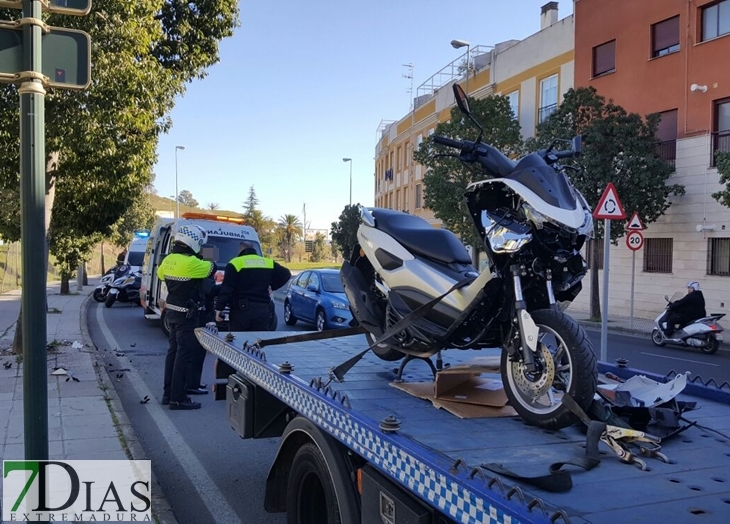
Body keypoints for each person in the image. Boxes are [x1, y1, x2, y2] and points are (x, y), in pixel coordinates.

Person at [157, 224, 216, 410]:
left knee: (172, 354)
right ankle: (178, 398)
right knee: (184, 356)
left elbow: (160, 276)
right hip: (186, 316)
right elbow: (211, 269)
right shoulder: (192, 263)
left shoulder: (167, 261)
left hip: (172, 312)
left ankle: (168, 394)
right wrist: (207, 252)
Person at [215, 241, 291, 331]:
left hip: (241, 311)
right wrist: (272, 286)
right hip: (262, 310)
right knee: (259, 341)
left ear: (240, 250)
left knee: (238, 341)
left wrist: (219, 308)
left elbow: (227, 289)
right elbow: (286, 274)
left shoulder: (235, 263)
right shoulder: (267, 262)